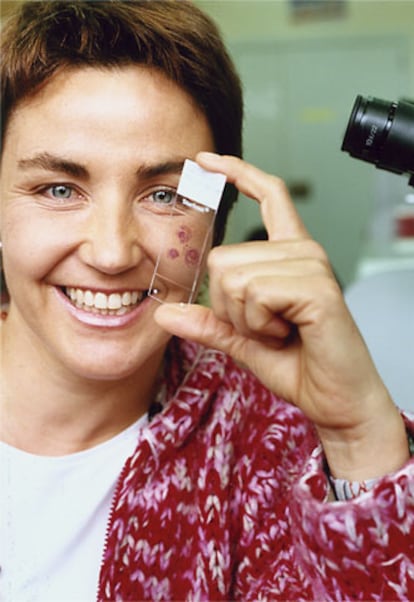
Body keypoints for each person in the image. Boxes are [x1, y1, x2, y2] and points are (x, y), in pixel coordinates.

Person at [0, 1, 412, 601]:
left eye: (166, 196)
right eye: (59, 188)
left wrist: (357, 440)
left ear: (220, 223)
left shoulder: (269, 446)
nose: (113, 253)